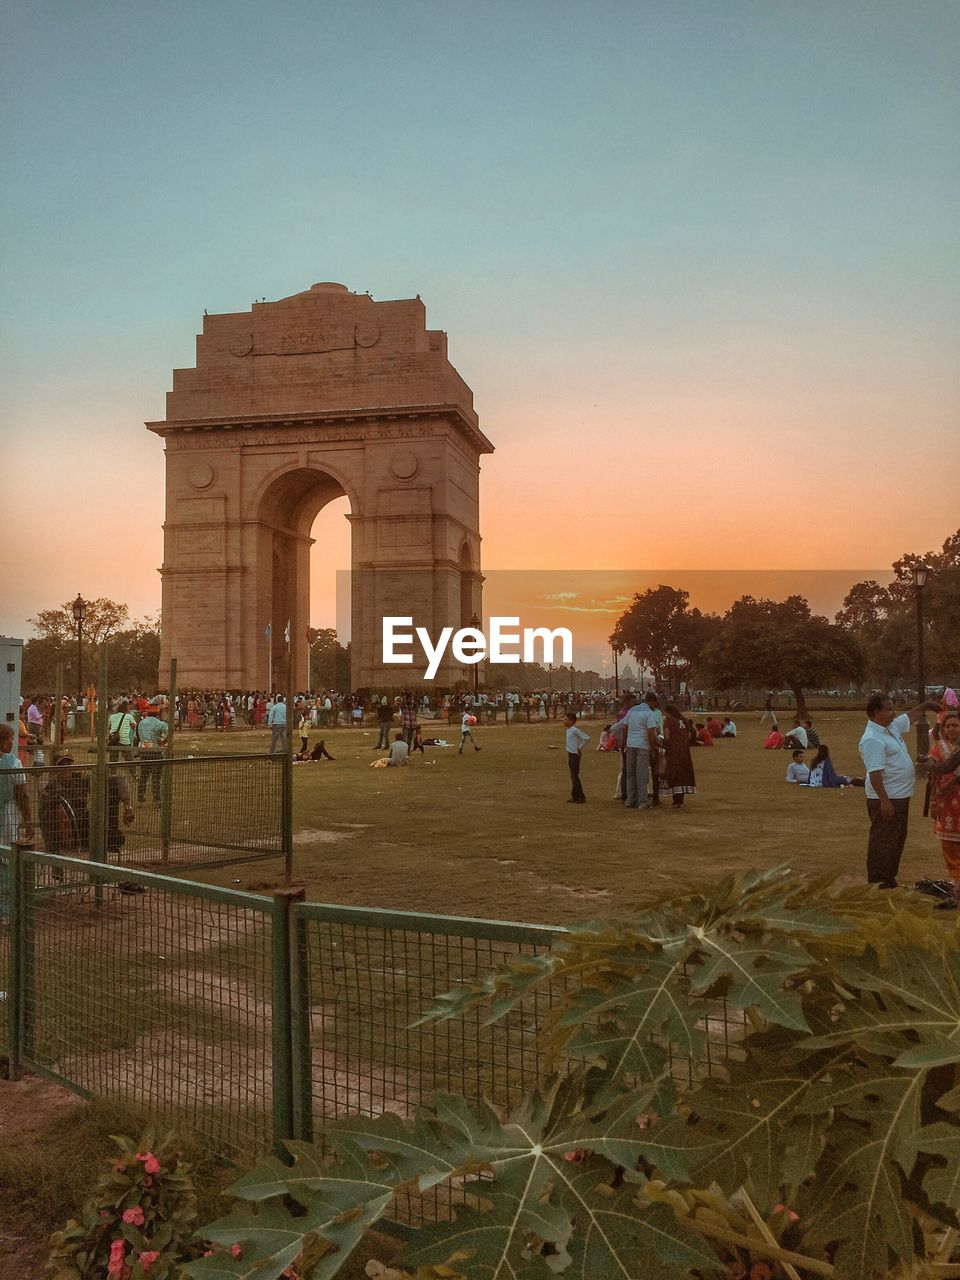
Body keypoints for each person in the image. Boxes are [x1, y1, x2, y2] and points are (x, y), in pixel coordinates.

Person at [858, 692, 940, 888]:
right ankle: (879, 879)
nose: (893, 712)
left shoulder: (889, 728)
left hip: (900, 794)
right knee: (883, 838)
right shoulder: (872, 738)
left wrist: (927, 705)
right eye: (888, 709)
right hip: (887, 797)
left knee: (896, 837)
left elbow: (910, 716)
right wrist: (884, 801)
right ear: (876, 712)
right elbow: (875, 774)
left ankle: (889, 876)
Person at [927, 711, 960, 905]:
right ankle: (957, 887)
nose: (952, 729)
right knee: (950, 847)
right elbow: (933, 775)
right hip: (947, 805)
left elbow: (946, 768)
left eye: (955, 725)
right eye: (948, 726)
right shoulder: (938, 748)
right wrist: (932, 802)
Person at [609, 692, 659, 810]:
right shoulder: (649, 713)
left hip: (631, 744)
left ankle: (630, 800)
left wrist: (625, 743)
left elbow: (625, 728)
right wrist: (652, 749)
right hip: (643, 745)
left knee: (630, 773)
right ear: (652, 702)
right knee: (642, 774)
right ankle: (642, 801)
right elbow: (651, 732)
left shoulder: (632, 711)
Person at [0, 724, 36, 844]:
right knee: (8, 850)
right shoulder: (14, 763)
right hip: (7, 816)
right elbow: (22, 795)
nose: (12, 743)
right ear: (3, 743)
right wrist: (28, 822)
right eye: (11, 740)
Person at [661, 704, 696, 808]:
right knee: (683, 774)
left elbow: (666, 736)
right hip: (684, 752)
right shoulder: (684, 720)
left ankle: (676, 801)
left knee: (674, 774)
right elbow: (689, 736)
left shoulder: (668, 721)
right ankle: (681, 800)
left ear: (668, 712)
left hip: (673, 751)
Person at [135, 703, 168, 806]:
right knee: (156, 778)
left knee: (143, 776)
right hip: (155, 752)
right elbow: (169, 732)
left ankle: (140, 798)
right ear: (157, 713)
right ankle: (156, 799)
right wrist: (162, 742)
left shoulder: (141, 723)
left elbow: (137, 736)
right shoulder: (160, 724)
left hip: (144, 751)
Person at [563, 711, 589, 804]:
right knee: (573, 776)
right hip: (570, 753)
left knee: (575, 776)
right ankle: (574, 796)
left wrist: (579, 747)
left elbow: (586, 738)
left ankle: (581, 796)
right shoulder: (569, 730)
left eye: (566, 719)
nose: (564, 721)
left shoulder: (575, 730)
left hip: (574, 755)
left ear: (571, 721)